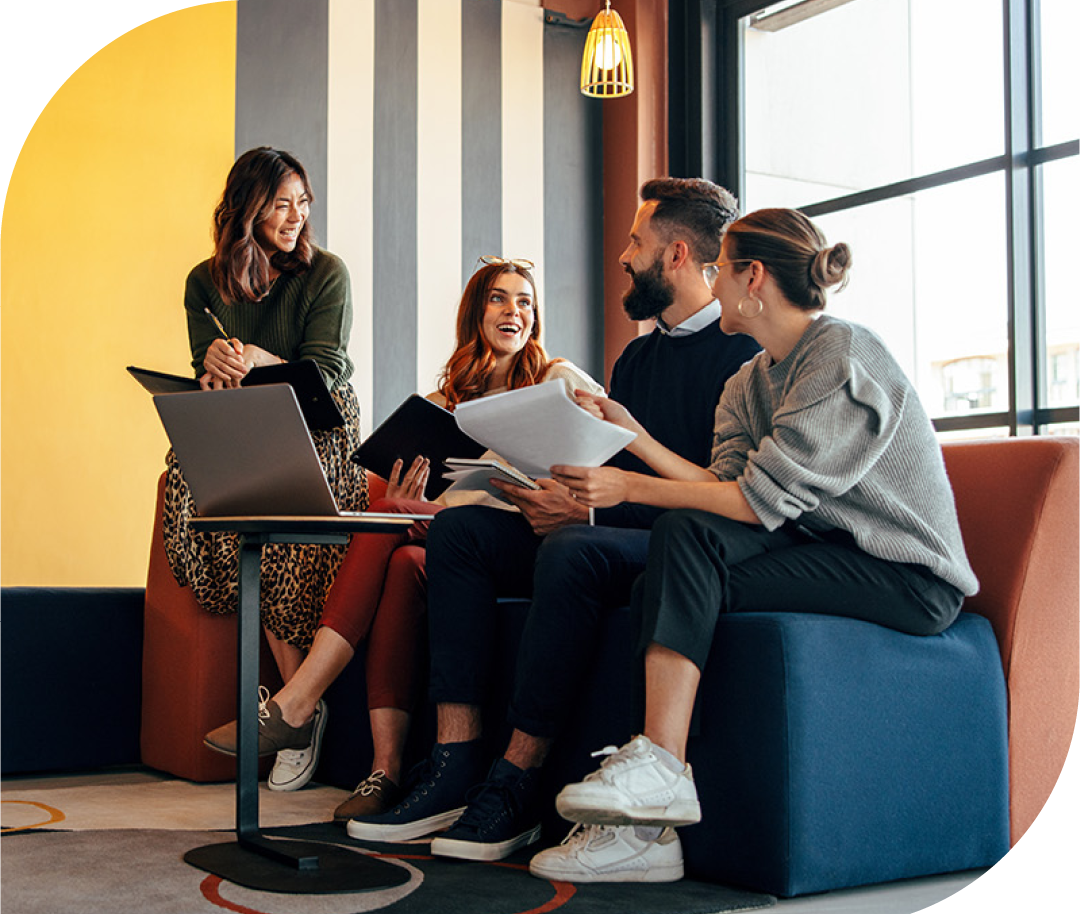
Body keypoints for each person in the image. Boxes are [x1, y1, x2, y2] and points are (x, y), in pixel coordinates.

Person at [540, 208, 978, 882]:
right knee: (662, 571)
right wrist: (633, 435)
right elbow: (724, 488)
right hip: (825, 550)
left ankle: (658, 774)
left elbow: (752, 502)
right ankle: (647, 834)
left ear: (754, 278)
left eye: (720, 272)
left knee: (682, 538)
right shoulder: (749, 382)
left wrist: (628, 486)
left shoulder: (841, 355)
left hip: (905, 575)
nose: (710, 286)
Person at [346, 178, 761, 874]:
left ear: (678, 254)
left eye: (636, 242)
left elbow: (720, 498)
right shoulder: (635, 358)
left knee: (572, 549)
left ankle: (516, 784)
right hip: (603, 522)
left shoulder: (741, 358)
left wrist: (590, 511)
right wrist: (551, 492)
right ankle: (453, 765)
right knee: (459, 537)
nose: (623, 257)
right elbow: (600, 461)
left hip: (676, 546)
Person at [203, 257, 605, 802]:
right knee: (398, 554)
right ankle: (385, 770)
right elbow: (427, 498)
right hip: (449, 542)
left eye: (525, 301)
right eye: (499, 298)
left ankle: (297, 703)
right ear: (475, 314)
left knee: (398, 528)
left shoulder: (556, 378)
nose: (514, 310)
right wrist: (407, 502)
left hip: (528, 535)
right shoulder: (443, 405)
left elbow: (604, 453)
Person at [163, 146, 369, 788]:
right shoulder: (204, 280)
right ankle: (296, 711)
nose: (295, 215)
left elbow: (327, 372)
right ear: (246, 207)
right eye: (281, 203)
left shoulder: (325, 272)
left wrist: (257, 356)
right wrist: (215, 369)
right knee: (190, 482)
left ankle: (292, 711)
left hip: (318, 423)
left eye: (302, 203)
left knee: (279, 531)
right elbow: (206, 362)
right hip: (245, 419)